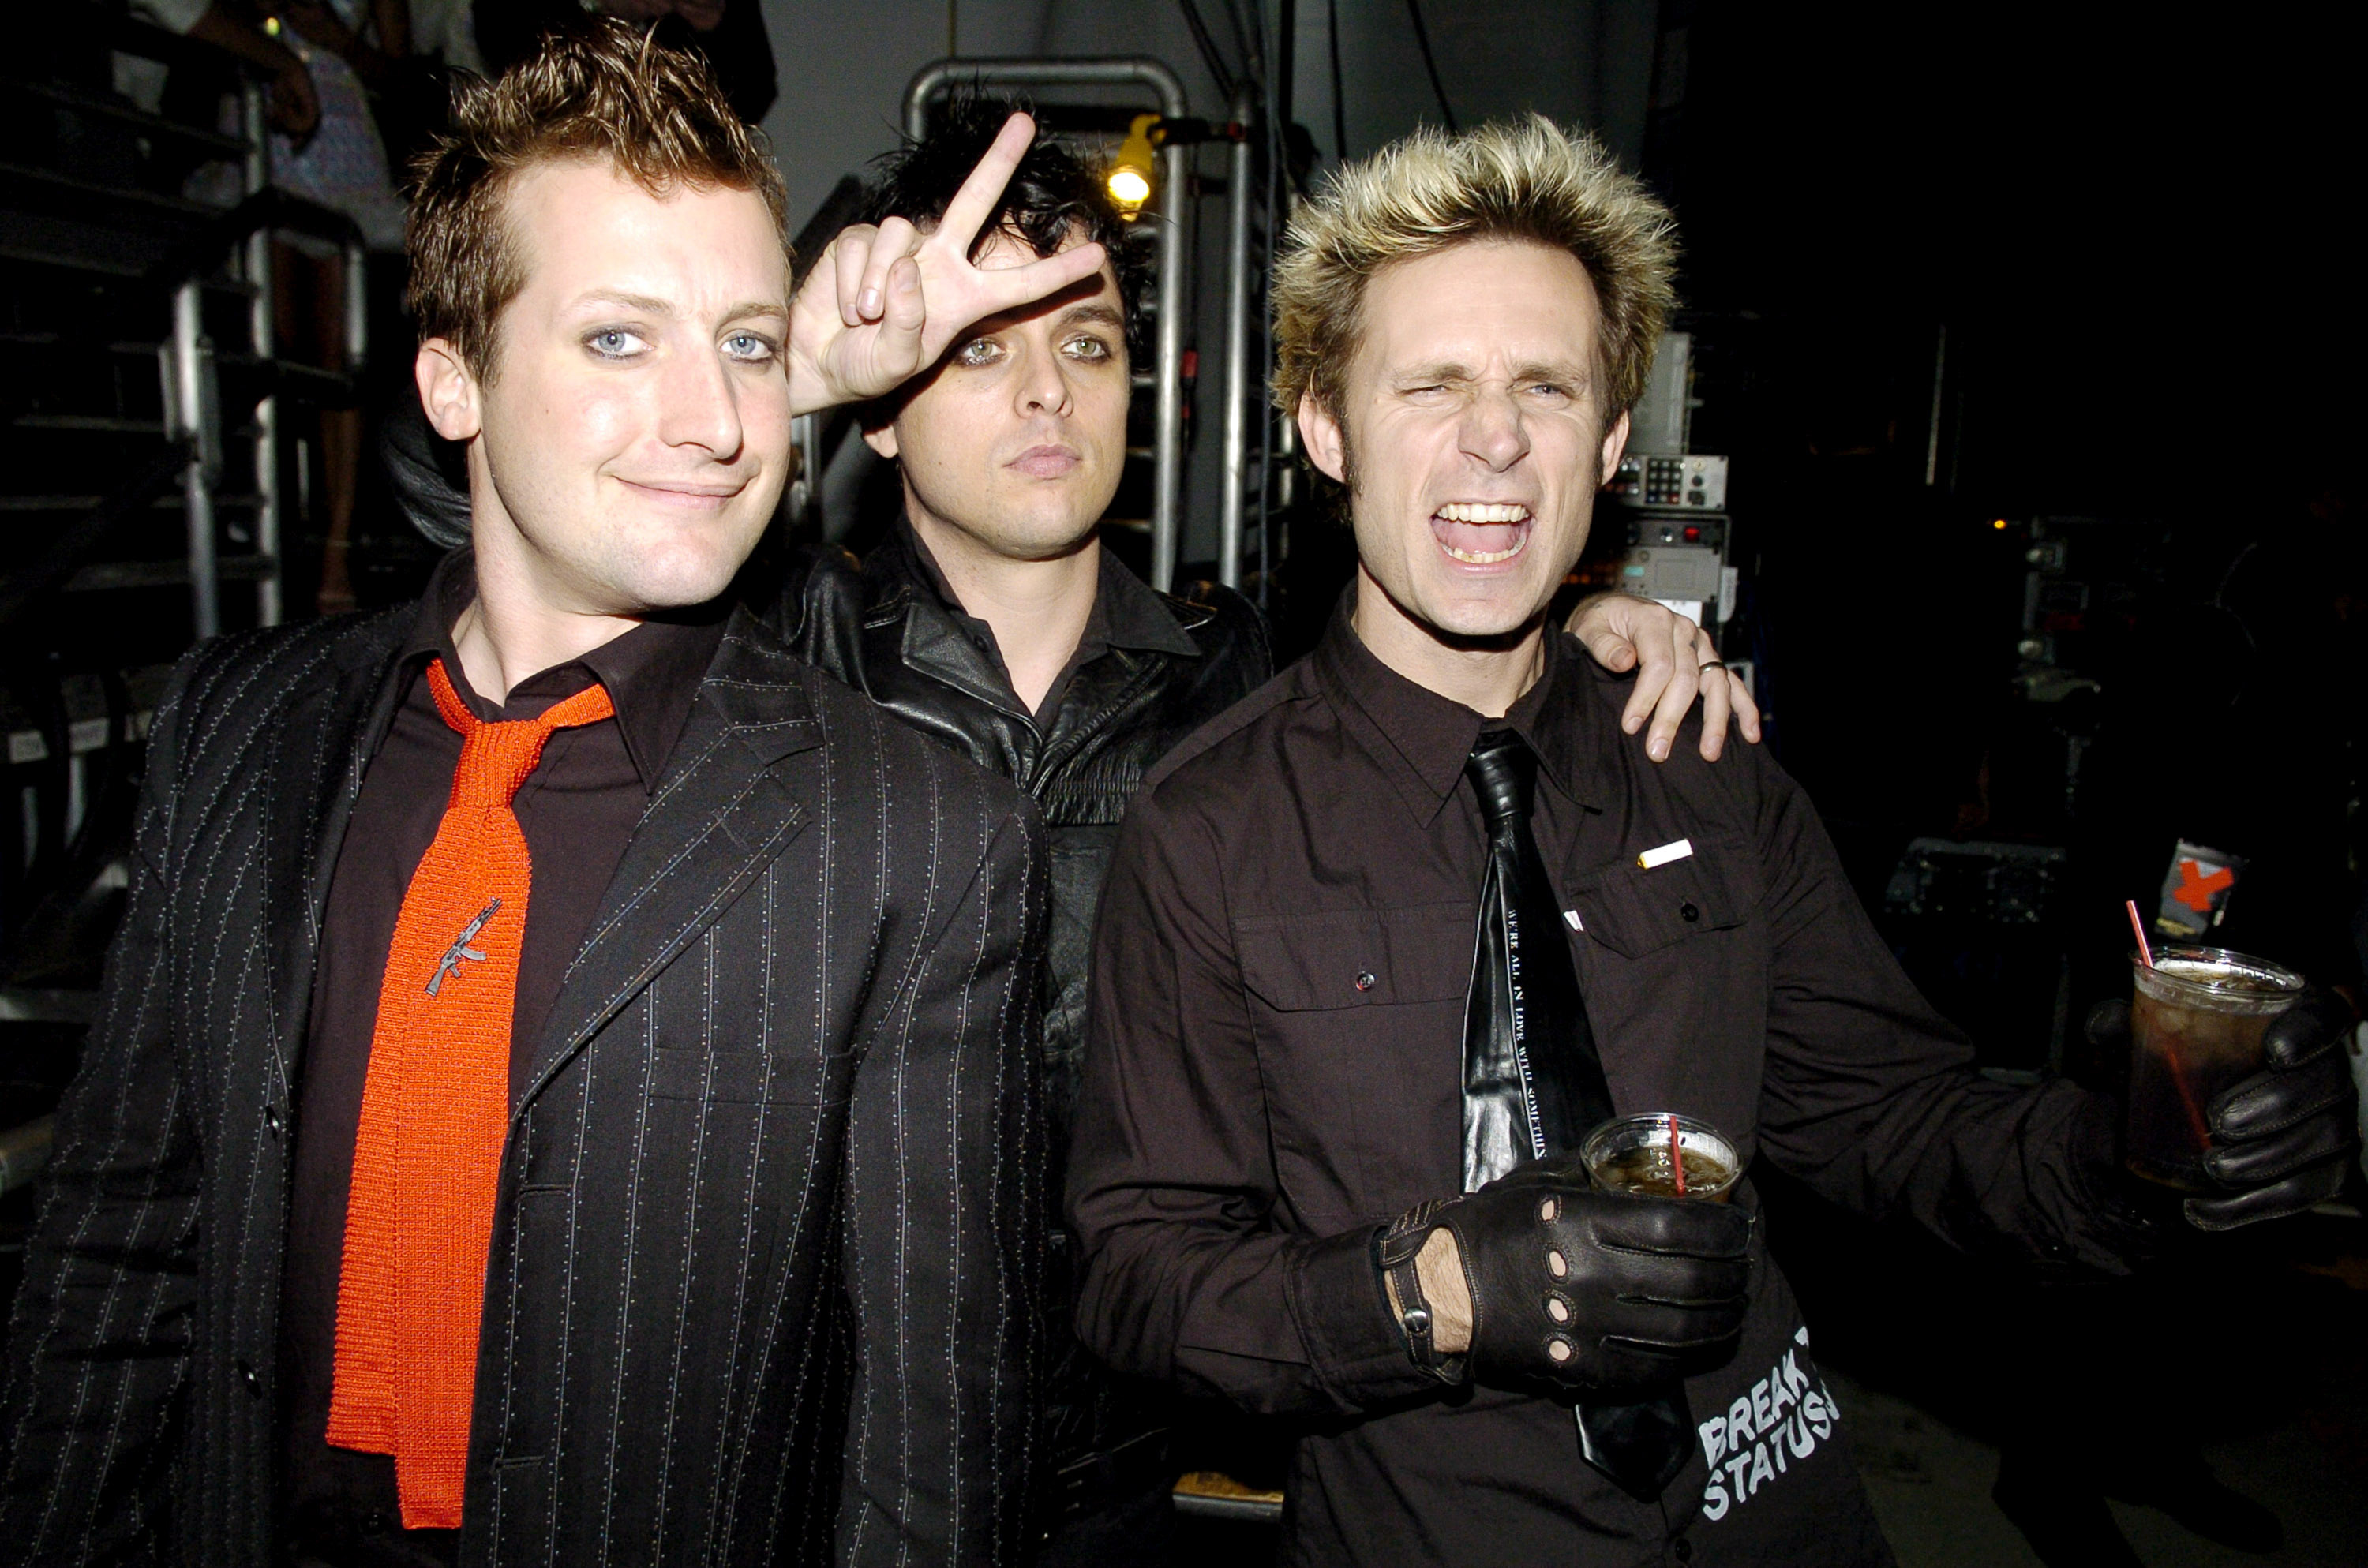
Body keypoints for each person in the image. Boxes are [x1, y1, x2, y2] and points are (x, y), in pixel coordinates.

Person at [1064, 116, 2361, 1565]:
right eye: (1431, 384)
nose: (1495, 438)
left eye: (1546, 388)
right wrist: (1432, 1290)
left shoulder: (1699, 762)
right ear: (1324, 427)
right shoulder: (1212, 831)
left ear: (1613, 439)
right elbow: (1137, 1278)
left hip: (1770, 1510)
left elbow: (1897, 1119)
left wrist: (2145, 1150)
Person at [0, 23, 1111, 1566]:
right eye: (614, 339)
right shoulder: (240, 736)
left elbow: (933, 1464)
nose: (717, 421)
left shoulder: (913, 838)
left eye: (744, 343)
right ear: (453, 384)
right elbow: (113, 1274)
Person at [775, 101, 1759, 1565]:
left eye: (1089, 345)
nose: (1047, 393)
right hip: (836, 1443)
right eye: (982, 344)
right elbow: (510, 535)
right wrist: (776, 369)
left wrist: (1589, 627)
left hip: (1157, 1459)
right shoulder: (776, 674)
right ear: (885, 398)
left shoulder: (1236, 698)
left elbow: (1452, 657)